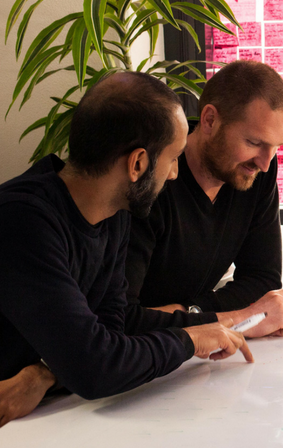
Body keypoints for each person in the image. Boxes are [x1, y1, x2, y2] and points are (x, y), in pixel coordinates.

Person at [0, 72, 253, 427]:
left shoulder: (113, 214)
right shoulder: (22, 220)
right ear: (137, 164)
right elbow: (95, 368)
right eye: (173, 158)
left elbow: (112, 332)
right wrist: (188, 341)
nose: (174, 174)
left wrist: (44, 374)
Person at [125, 60, 283, 340]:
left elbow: (262, 280)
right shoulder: (154, 176)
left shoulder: (258, 170)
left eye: (276, 147)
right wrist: (227, 318)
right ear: (209, 120)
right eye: (254, 143)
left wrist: (192, 312)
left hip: (198, 349)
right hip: (141, 353)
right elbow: (123, 320)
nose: (265, 163)